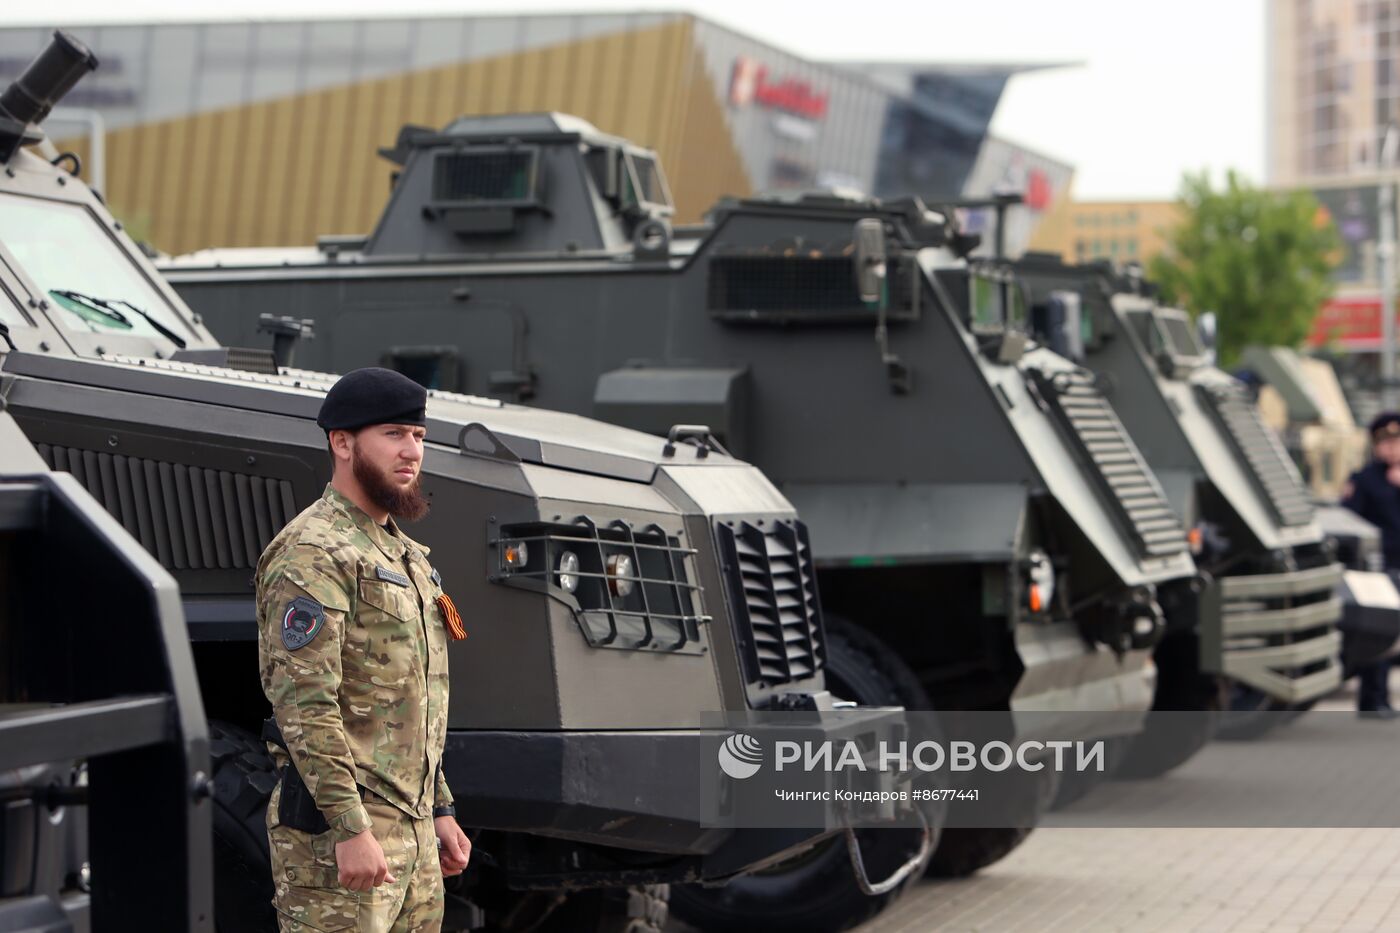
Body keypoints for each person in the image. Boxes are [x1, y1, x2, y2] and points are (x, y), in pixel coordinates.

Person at [257, 367, 471, 931]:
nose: (412, 452)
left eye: (419, 438)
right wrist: (350, 828)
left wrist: (440, 809)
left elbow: (413, 701)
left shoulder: (405, 554)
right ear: (343, 442)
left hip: (413, 830)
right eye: (395, 434)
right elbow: (304, 702)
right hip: (345, 835)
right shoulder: (314, 551)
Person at [1341, 411, 1400, 719]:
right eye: (1385, 442)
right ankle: (1371, 700)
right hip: (1380, 570)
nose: (1391, 448)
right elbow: (1350, 520)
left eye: (1396, 442)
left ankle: (1384, 699)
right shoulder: (1364, 480)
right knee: (1378, 635)